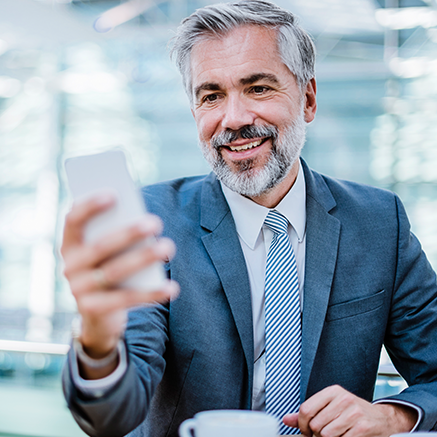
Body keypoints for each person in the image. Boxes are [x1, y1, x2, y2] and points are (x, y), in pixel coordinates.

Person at [61, 1, 437, 436]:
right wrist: (97, 338)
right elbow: (110, 416)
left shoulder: (377, 223)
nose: (234, 119)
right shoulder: (152, 222)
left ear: (308, 99)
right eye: (211, 96)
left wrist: (393, 415)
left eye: (258, 88)